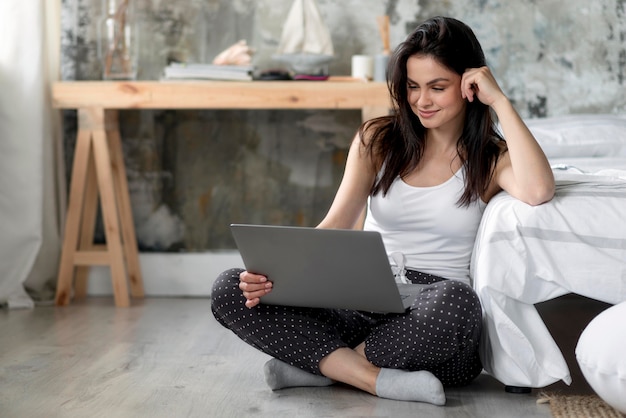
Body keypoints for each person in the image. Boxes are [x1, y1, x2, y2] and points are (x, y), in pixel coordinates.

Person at [211, 16, 555, 405]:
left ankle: (323, 366)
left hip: (433, 320)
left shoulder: (490, 158)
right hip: (360, 299)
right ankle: (369, 377)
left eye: (437, 87)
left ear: (468, 84)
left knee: (459, 303)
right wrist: (279, 274)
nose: (421, 101)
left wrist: (501, 101)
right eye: (412, 87)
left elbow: (539, 189)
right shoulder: (379, 140)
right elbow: (337, 224)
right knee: (229, 288)